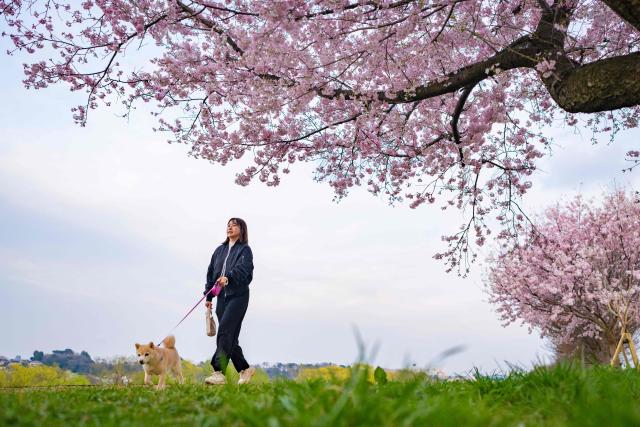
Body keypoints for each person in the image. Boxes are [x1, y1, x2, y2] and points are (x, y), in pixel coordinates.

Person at [203, 217, 256, 385]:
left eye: (234, 225)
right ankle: (245, 369)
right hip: (221, 297)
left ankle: (219, 372)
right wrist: (209, 296)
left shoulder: (245, 250)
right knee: (229, 335)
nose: (230, 227)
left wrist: (229, 277)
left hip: (238, 296)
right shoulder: (219, 251)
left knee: (225, 330)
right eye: (228, 225)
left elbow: (245, 270)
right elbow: (211, 273)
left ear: (242, 230)